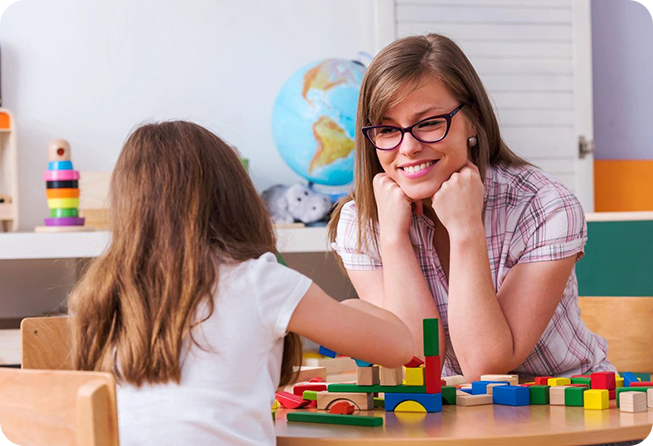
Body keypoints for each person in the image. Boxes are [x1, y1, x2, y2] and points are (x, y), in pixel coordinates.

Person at [69, 121, 414, 446]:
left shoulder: (102, 293)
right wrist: (349, 308)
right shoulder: (258, 280)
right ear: (234, 198)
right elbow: (399, 347)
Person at [328, 33, 615, 381]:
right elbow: (415, 358)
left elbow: (486, 365)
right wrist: (394, 238)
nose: (408, 147)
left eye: (430, 123)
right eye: (388, 129)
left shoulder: (544, 205)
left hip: (574, 414)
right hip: (456, 419)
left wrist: (465, 229)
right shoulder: (362, 222)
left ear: (472, 120)